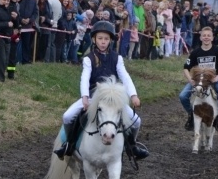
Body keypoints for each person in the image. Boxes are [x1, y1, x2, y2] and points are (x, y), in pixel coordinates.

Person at [53, 20, 148, 161]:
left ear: (110, 40)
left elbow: (125, 77)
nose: (103, 42)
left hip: (113, 99)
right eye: (100, 38)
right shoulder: (88, 59)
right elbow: (84, 78)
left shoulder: (117, 58)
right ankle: (69, 144)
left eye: (106, 39)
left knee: (137, 121)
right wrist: (84, 97)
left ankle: (132, 146)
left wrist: (133, 95)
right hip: (93, 97)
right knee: (67, 116)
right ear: (94, 39)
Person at [179, 26, 218, 132]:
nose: (206, 37)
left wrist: (217, 78)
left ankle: (217, 117)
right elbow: (185, 68)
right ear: (201, 38)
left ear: (212, 38)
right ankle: (192, 115)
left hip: (213, 79)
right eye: (204, 36)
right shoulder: (195, 52)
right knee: (182, 96)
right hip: (199, 80)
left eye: (209, 36)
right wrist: (190, 80)